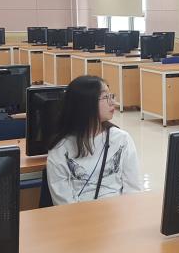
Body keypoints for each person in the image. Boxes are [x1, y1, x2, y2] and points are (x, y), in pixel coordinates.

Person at [46, 75, 141, 204]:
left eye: (111, 96)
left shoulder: (121, 139)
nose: (112, 102)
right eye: (105, 97)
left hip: (119, 212)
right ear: (86, 104)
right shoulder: (60, 148)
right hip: (78, 215)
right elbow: (63, 203)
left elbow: (133, 190)